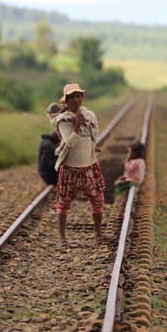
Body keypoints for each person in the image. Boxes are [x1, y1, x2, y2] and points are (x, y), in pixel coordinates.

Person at [51, 83, 107, 246]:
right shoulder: (63, 120)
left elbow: (95, 133)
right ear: (66, 102)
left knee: (97, 198)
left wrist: (92, 144)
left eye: (78, 96)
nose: (76, 100)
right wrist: (77, 125)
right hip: (70, 166)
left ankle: (98, 234)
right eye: (72, 97)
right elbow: (69, 143)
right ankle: (62, 238)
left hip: (89, 164)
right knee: (64, 201)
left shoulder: (89, 115)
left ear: (82, 97)